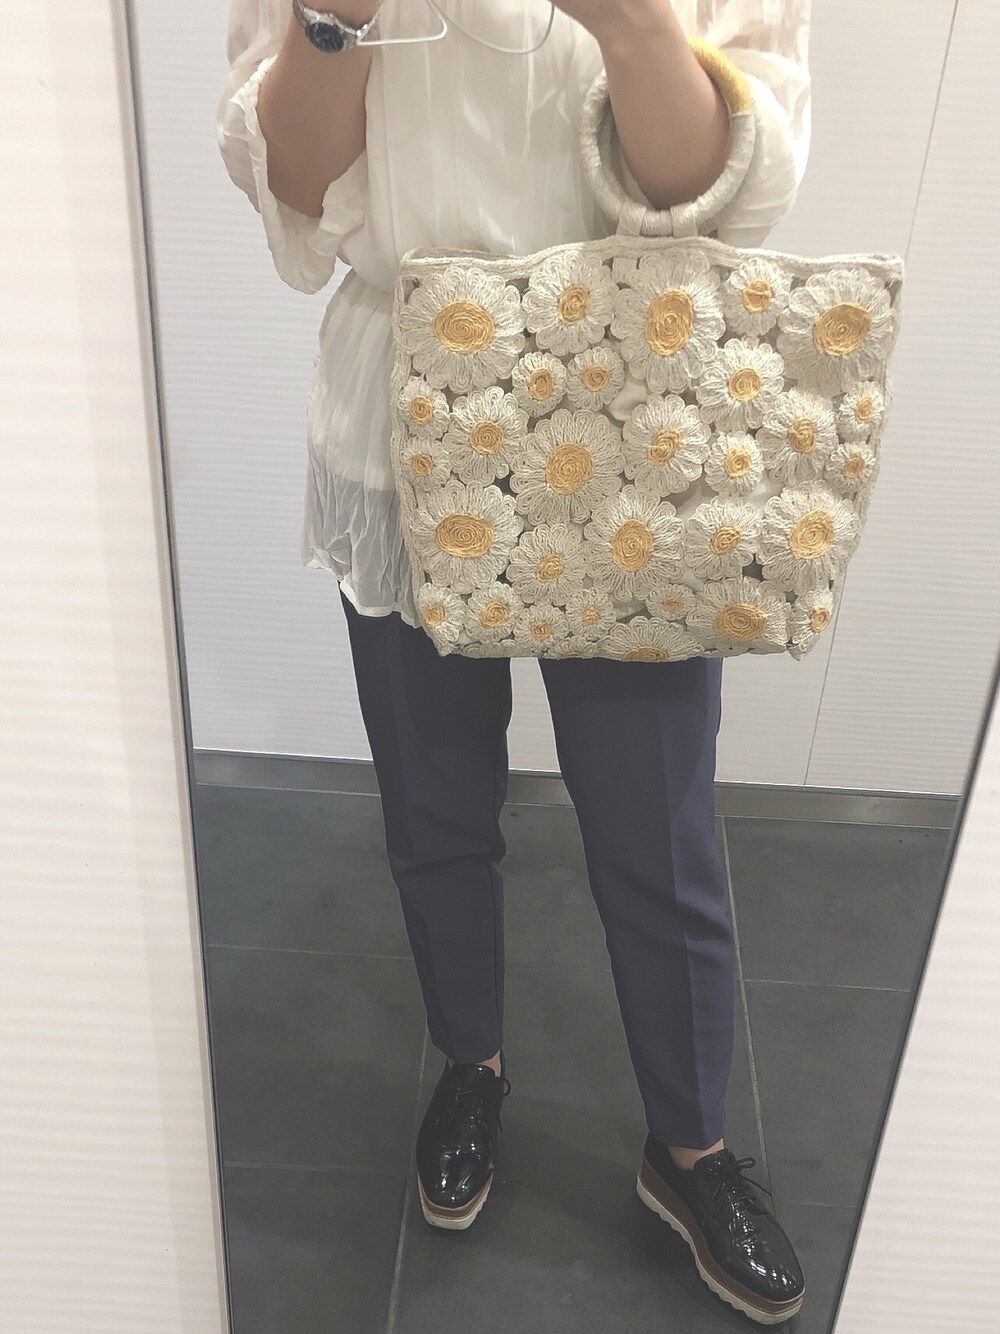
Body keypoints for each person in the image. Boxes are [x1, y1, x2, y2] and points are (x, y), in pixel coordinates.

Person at [218, 0, 812, 1323]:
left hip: (629, 402)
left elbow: (732, 191)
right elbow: (296, 197)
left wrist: (635, 27)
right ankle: (470, 1061)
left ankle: (692, 1146)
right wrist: (332, 20)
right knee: (434, 805)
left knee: (657, 829)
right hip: (403, 404)